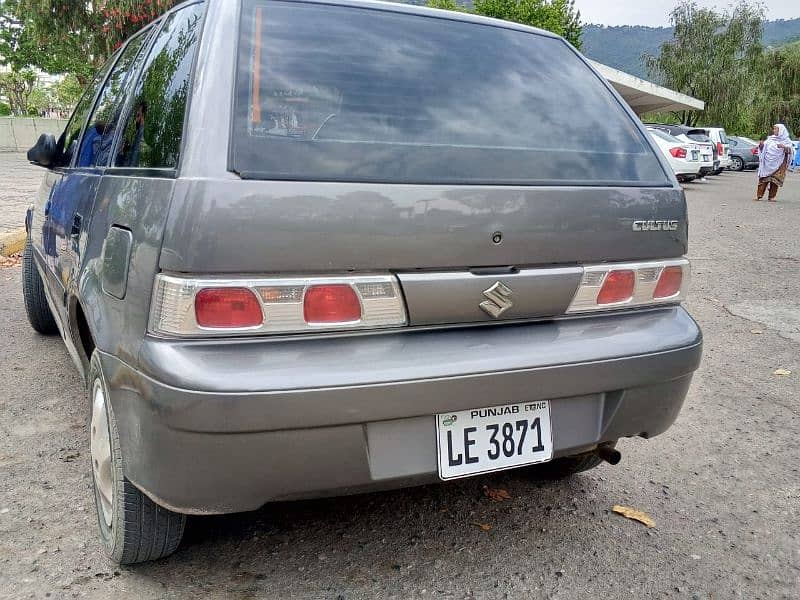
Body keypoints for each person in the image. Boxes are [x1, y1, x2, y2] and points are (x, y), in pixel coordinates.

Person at [754, 123, 796, 202]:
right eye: (774, 129)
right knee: (763, 179)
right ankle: (759, 196)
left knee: (775, 181)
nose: (774, 131)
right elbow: (763, 149)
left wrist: (784, 147)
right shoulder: (770, 140)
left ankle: (771, 197)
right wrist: (761, 146)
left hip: (779, 164)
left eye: (776, 129)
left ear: (781, 131)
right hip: (767, 163)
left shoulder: (786, 141)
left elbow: (792, 151)